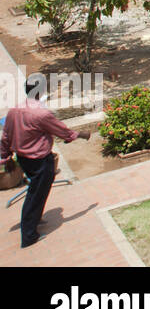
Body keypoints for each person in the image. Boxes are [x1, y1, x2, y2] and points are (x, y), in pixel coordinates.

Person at [1, 75, 90, 248]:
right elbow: (62, 131)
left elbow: (5, 136)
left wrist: (6, 158)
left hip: (24, 159)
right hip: (40, 161)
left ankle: (35, 218)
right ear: (41, 91)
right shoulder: (41, 113)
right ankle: (29, 236)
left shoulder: (14, 110)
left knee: (36, 191)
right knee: (35, 195)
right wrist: (81, 135)